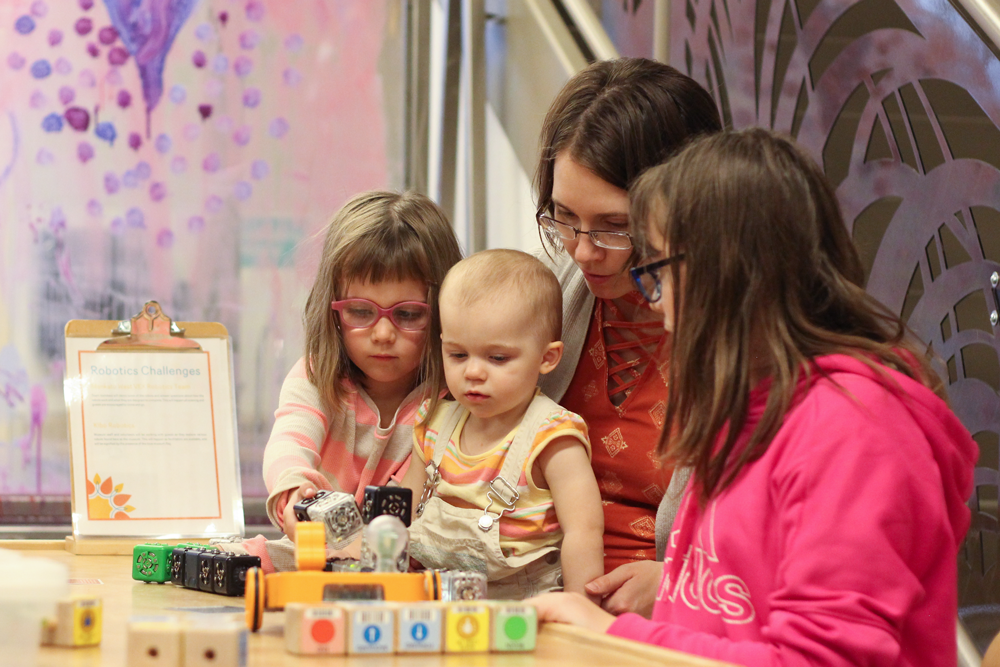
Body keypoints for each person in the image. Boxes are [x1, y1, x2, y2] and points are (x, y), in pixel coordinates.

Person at [532, 128, 978, 666]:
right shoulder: (748, 404)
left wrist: (614, 636)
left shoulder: (859, 429)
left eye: (657, 273)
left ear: (729, 271)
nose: (654, 303)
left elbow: (822, 659)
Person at [532, 57, 722, 613]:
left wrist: (676, 585)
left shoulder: (739, 342)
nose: (584, 251)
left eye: (617, 227)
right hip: (540, 597)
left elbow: (776, 563)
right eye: (564, 217)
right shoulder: (548, 297)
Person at [234, 190, 463, 573]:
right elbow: (290, 439)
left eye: (407, 314)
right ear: (332, 309)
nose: (383, 333)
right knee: (248, 560)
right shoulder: (316, 376)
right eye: (360, 311)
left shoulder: (456, 400)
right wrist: (293, 491)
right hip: (319, 553)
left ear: (445, 311)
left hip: (409, 564)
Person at [401, 249, 605, 600]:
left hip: (525, 612)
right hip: (435, 605)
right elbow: (401, 514)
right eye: (458, 354)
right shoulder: (433, 426)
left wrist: (579, 613)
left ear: (547, 358)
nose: (474, 372)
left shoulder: (553, 436)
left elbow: (583, 533)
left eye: (497, 358)